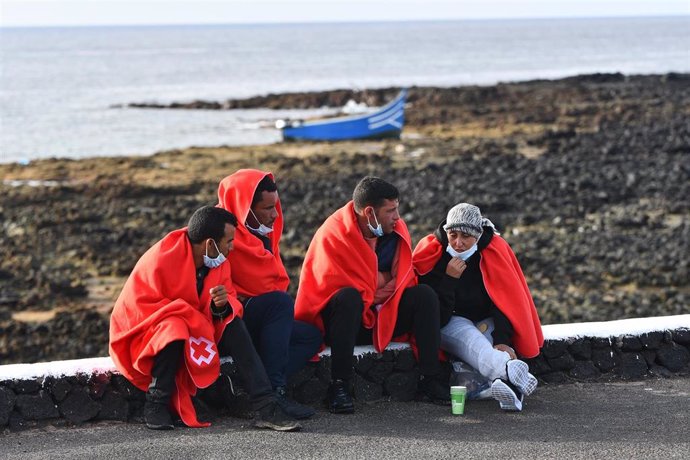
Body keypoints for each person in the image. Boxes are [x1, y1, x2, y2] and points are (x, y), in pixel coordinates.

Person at [109, 206, 301, 431]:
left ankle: (266, 406)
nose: (232, 247)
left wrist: (219, 306)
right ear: (210, 244)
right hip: (145, 335)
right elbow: (141, 309)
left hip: (197, 327)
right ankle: (155, 403)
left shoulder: (218, 262)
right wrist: (191, 317)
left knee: (232, 321)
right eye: (228, 242)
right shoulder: (161, 259)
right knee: (174, 327)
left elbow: (228, 300)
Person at [295, 176, 449, 414]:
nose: (398, 217)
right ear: (369, 212)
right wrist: (382, 278)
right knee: (349, 298)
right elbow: (332, 286)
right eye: (391, 210)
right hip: (345, 325)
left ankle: (429, 379)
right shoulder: (334, 233)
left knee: (424, 295)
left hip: (383, 312)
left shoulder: (395, 230)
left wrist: (377, 282)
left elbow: (403, 279)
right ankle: (339, 386)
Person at [412, 203, 544, 411]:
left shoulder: (494, 250)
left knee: (498, 348)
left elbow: (506, 301)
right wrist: (449, 279)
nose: (458, 243)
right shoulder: (433, 252)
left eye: (466, 236)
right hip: (452, 320)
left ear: (478, 235)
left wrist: (503, 340)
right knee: (476, 344)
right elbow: (437, 316)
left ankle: (511, 390)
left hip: (486, 319)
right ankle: (509, 372)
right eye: (453, 234)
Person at [217, 169, 321, 420]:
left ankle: (260, 384)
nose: (275, 215)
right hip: (228, 322)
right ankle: (274, 392)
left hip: (256, 314)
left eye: (276, 206)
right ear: (244, 208)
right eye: (267, 208)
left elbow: (270, 282)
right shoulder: (221, 236)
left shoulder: (261, 235)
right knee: (280, 303)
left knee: (311, 336)